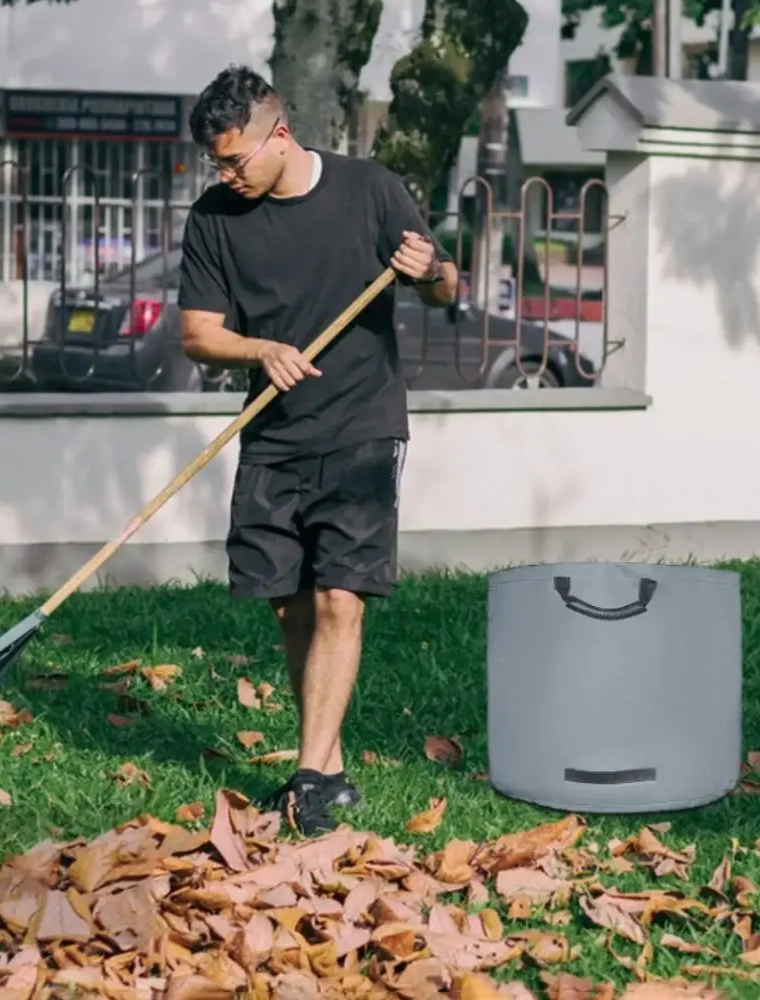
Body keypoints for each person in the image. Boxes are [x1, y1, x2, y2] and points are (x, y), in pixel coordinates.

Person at [176, 64, 458, 836]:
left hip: (363, 424)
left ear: (281, 134)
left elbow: (448, 285)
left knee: (341, 597)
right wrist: (260, 349)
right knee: (290, 603)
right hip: (274, 431)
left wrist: (429, 270)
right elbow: (199, 333)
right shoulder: (214, 218)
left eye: (236, 160)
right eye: (217, 164)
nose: (227, 176)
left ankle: (310, 782)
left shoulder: (370, 189)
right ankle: (328, 766)